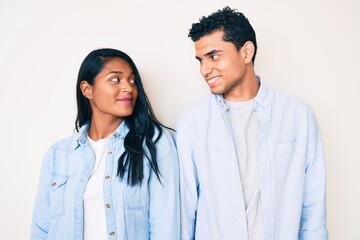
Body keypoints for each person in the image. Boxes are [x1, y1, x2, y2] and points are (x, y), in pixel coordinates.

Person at [175, 6, 328, 240]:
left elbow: (313, 203)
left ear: (246, 52)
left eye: (214, 56)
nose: (205, 70)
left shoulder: (298, 115)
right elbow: (185, 210)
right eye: (200, 60)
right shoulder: (191, 123)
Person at [31, 48, 180, 240]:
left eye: (132, 80)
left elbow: (165, 226)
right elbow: (41, 229)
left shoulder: (155, 143)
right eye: (116, 79)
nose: (129, 88)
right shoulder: (58, 154)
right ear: (87, 89)